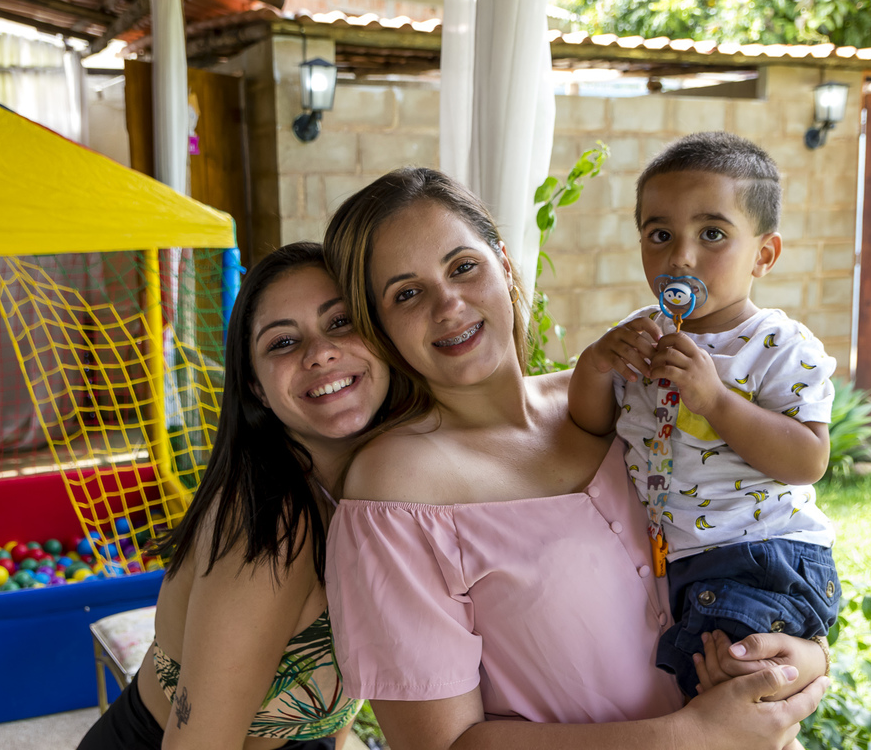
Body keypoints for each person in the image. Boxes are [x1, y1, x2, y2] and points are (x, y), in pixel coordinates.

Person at [322, 167, 830, 750]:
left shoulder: (625, 395)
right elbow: (440, 745)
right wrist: (690, 737)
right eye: (406, 293)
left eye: (464, 267)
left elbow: (761, 532)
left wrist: (799, 654)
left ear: (505, 265)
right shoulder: (394, 489)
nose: (448, 304)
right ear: (376, 323)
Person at [78, 242, 392, 750]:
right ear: (256, 387)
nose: (320, 352)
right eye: (282, 343)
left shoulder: (383, 480)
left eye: (339, 323)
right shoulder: (274, 524)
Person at [568, 132, 841, 702]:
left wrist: (716, 401)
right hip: (679, 562)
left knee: (735, 691)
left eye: (712, 234)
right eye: (660, 235)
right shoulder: (643, 335)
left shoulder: (779, 346)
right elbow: (589, 427)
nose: (680, 257)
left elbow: (807, 460)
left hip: (763, 557)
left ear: (764, 255)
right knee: (700, 692)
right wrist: (596, 366)